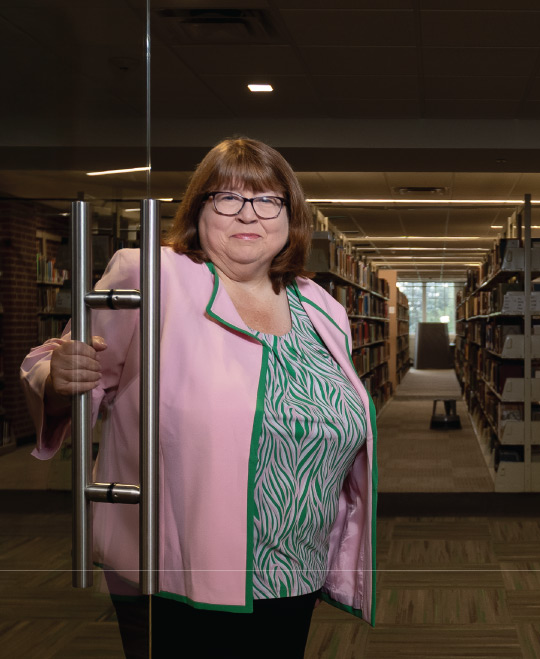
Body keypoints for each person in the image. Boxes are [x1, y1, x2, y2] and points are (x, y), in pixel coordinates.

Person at [21, 138, 377, 658]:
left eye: (267, 200)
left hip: (294, 566)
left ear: (290, 215)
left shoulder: (321, 306)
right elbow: (59, 364)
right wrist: (57, 379)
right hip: (177, 571)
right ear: (198, 209)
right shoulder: (150, 276)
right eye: (226, 198)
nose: (248, 214)